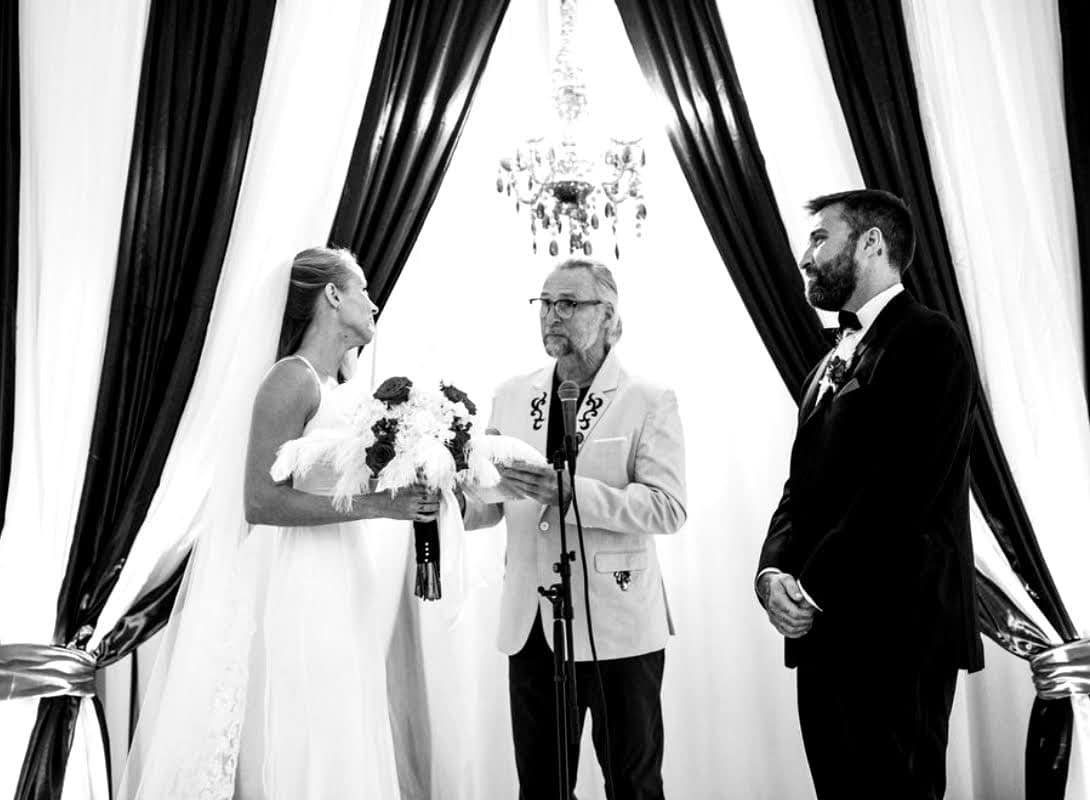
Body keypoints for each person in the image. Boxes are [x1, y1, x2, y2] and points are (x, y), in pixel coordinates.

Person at [119, 247, 437, 799]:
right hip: (300, 578)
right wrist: (379, 507)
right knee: (307, 724)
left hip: (342, 572)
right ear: (333, 296)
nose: (374, 300)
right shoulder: (292, 379)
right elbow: (260, 501)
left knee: (341, 720)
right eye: (362, 288)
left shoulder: (338, 386)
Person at [756, 190, 983, 799]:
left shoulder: (930, 340)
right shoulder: (826, 360)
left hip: (898, 630)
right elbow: (799, 485)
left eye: (819, 238)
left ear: (872, 244)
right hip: (825, 631)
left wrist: (812, 585)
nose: (805, 256)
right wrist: (773, 570)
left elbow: (901, 490)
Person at [462, 258, 687, 800]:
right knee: (541, 788)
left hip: (619, 627)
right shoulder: (511, 395)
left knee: (632, 785)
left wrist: (572, 497)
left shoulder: (648, 399)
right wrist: (449, 493)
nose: (551, 316)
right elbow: (488, 505)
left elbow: (668, 508)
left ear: (607, 315)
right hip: (532, 627)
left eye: (568, 304)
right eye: (544, 304)